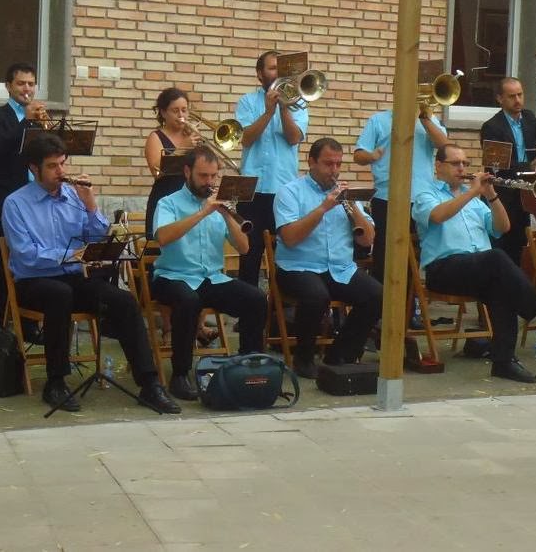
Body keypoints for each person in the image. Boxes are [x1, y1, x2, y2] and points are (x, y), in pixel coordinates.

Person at [2, 133, 179, 414]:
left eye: (63, 163)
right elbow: (25, 255)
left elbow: (98, 237)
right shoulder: (15, 203)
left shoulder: (74, 196)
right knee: (59, 295)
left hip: (74, 277)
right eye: (52, 166)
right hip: (34, 281)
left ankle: (149, 382)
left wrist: (91, 204)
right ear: (34, 168)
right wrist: (69, 255)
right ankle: (56, 382)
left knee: (124, 301)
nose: (61, 171)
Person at [411, 143, 536, 383]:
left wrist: (491, 195)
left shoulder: (475, 200)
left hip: (480, 268)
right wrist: (471, 192)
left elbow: (503, 227)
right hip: (444, 269)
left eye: (465, 163)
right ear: (438, 166)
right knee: (496, 258)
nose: (462, 168)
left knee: (501, 286)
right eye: (455, 163)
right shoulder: (425, 194)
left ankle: (504, 362)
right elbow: (438, 216)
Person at [151, 145, 268, 400]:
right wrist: (204, 212)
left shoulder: (219, 205)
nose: (210, 182)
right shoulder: (168, 203)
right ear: (187, 172)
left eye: (213, 176)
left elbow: (244, 248)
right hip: (172, 276)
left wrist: (227, 215)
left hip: (210, 278)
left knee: (256, 298)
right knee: (188, 300)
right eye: (203, 176)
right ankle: (180, 374)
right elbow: (163, 237)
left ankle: (249, 365)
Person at [273, 138, 382, 379]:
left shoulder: (347, 195)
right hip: (298, 267)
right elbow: (289, 238)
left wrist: (353, 208)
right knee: (316, 296)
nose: (333, 170)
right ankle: (304, 358)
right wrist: (323, 208)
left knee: (377, 295)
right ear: (311, 162)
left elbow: (367, 240)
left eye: (338, 164)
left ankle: (340, 355)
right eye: (327, 164)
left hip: (340, 268)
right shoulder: (289, 192)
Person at [0, 63, 46, 327]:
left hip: (36, 202)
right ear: (8, 86)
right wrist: (26, 121)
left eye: (31, 83)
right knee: (3, 263)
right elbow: (1, 149)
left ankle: (28, 324)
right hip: (5, 200)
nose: (26, 89)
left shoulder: (39, 117)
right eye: (21, 83)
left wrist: (46, 129)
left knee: (32, 264)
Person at [235, 50, 309, 286]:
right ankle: (248, 307)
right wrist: (268, 112)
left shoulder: (299, 103)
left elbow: (294, 138)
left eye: (280, 68)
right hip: (251, 191)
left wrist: (284, 107)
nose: (277, 73)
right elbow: (246, 139)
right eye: (272, 68)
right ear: (260, 74)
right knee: (249, 255)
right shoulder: (247, 102)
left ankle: (281, 306)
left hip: (283, 190)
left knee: (284, 256)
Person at [353, 105, 448, 282]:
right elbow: (358, 155)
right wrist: (372, 156)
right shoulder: (378, 120)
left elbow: (444, 147)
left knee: (415, 256)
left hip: (422, 200)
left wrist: (425, 119)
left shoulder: (430, 120)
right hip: (386, 197)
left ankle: (412, 298)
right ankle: (381, 298)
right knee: (385, 255)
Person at [479, 76, 536, 266]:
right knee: (502, 246)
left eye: (520, 94)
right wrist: (529, 167)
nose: (518, 100)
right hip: (503, 196)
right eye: (512, 96)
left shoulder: (528, 118)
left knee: (520, 244)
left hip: (526, 194)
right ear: (500, 99)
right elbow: (497, 167)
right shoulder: (491, 127)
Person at [144, 87, 202, 241]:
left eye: (184, 110)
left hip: (189, 201)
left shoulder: (191, 136)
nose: (181, 115)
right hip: (165, 198)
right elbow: (157, 172)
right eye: (175, 111)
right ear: (163, 113)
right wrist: (183, 148)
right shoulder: (155, 137)